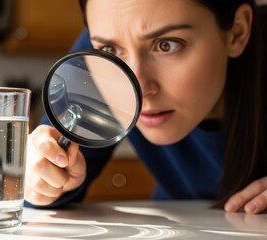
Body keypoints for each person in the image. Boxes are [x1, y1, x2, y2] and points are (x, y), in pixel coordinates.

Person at [24, 0, 267, 214]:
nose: (137, 88)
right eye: (110, 50)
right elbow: (43, 184)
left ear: (237, 31)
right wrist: (42, 180)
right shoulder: (99, 61)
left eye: (167, 45)